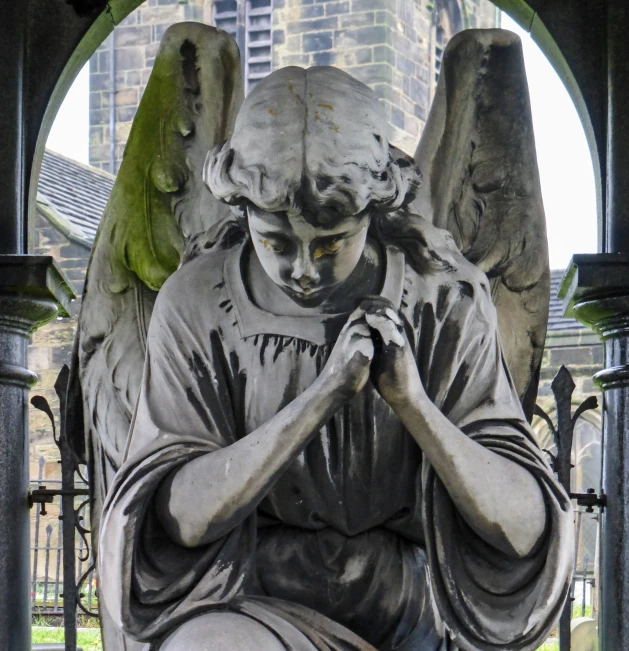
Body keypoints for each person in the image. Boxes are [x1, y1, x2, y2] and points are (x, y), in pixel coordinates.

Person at [99, 65, 573, 651]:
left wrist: (412, 403)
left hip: (409, 616)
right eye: (273, 241)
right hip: (245, 607)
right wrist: (322, 396)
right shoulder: (198, 301)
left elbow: (524, 530)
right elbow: (181, 520)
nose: (302, 269)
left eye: (330, 245)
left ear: (374, 213)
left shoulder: (442, 297)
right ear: (240, 209)